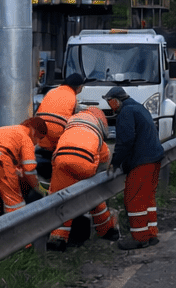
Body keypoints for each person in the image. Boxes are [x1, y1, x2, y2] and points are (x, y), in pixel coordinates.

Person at [47, 107, 118, 251]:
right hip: (85, 164)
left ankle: (58, 239)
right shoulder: (96, 133)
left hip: (61, 161)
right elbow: (104, 159)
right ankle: (107, 231)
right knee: (94, 197)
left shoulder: (69, 128)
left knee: (61, 201)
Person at [103, 87, 164, 250]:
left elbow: (125, 141)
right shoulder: (138, 107)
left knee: (134, 199)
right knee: (147, 197)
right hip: (154, 158)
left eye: (109, 102)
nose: (109, 106)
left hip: (142, 162)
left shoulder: (126, 113)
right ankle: (151, 234)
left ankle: (139, 238)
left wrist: (115, 163)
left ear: (115, 100)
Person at [0, 116, 45, 227]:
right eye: (39, 139)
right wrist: (39, 189)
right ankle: (23, 241)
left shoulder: (6, 130)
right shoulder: (26, 137)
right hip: (0, 158)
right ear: (35, 132)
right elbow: (29, 169)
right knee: (14, 202)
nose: (36, 143)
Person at [36, 72, 85, 152]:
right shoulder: (72, 97)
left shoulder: (52, 91)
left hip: (40, 132)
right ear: (79, 87)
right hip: (57, 133)